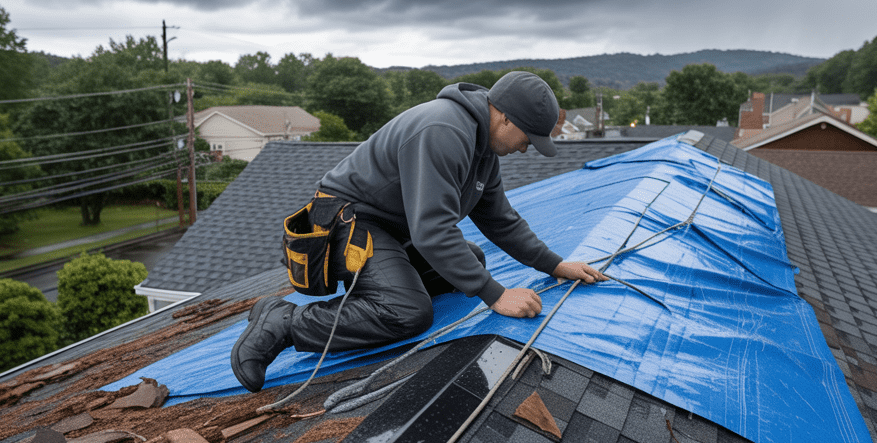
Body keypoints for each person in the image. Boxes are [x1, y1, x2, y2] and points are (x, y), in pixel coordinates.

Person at [231, 71, 606, 391]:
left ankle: (383, 285)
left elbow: (500, 219)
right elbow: (431, 231)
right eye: (527, 140)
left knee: (468, 263)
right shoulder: (444, 130)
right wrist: (495, 295)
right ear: (505, 118)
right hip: (349, 222)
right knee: (408, 311)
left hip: (392, 227)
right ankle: (283, 322)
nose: (526, 150)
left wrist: (556, 266)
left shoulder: (483, 149)